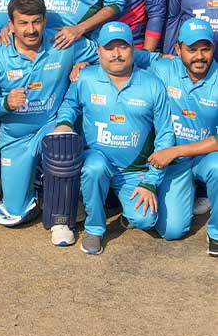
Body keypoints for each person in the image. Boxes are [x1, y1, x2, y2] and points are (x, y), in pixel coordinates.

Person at [0, 0, 100, 245]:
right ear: (10, 26)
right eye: (23, 23)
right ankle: (39, 182)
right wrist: (5, 103)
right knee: (13, 212)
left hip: (51, 125)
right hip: (16, 136)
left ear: (45, 21)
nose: (31, 30)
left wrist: (86, 65)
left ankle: (61, 219)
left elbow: (104, 53)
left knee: (61, 144)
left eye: (36, 22)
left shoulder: (62, 43)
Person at [53, 22, 175, 255]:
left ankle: (124, 208)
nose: (116, 54)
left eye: (123, 47)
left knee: (146, 219)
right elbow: (69, 104)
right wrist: (64, 123)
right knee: (94, 169)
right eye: (109, 48)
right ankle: (95, 228)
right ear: (98, 50)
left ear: (133, 50)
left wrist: (151, 180)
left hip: (133, 170)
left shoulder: (152, 84)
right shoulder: (85, 78)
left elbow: (165, 134)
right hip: (97, 160)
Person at [146, 19, 218, 254]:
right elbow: (125, 56)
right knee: (171, 232)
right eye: (192, 49)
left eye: (205, 49)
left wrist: (176, 150)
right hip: (172, 164)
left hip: (202, 157)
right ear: (177, 49)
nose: (199, 56)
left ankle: (215, 233)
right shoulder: (163, 68)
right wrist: (83, 64)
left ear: (213, 48)